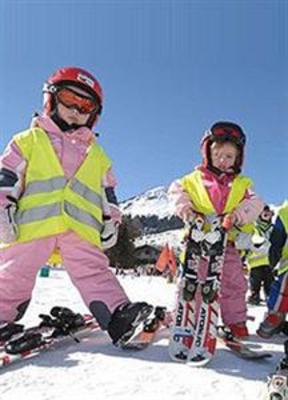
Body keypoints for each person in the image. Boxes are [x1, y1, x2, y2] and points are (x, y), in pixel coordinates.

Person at [0, 66, 152, 346]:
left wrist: (111, 221)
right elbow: (6, 176)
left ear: (93, 115)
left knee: (94, 271)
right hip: (32, 226)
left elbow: (109, 195)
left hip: (80, 230)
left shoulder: (98, 154)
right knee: (13, 271)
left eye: (85, 106)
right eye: (69, 99)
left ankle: (120, 316)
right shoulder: (28, 140)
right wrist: (2, 208)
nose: (75, 110)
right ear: (51, 99)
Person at [169, 121, 264, 337]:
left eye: (229, 156)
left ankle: (235, 320)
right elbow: (177, 193)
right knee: (194, 280)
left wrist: (237, 215)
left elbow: (255, 203)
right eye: (218, 154)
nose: (223, 160)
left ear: (238, 159)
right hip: (197, 242)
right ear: (207, 154)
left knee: (234, 282)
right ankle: (186, 317)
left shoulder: (243, 183)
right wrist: (188, 211)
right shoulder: (192, 179)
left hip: (226, 243)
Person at [257, 200, 288, 338]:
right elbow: (277, 240)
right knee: (282, 289)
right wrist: (273, 260)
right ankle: (275, 316)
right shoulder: (285, 212)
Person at [245, 205, 275, 305]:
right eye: (264, 212)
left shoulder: (274, 229)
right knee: (255, 282)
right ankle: (254, 296)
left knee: (270, 282)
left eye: (268, 213)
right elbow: (250, 241)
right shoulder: (254, 228)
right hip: (255, 262)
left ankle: (270, 297)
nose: (266, 214)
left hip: (269, 262)